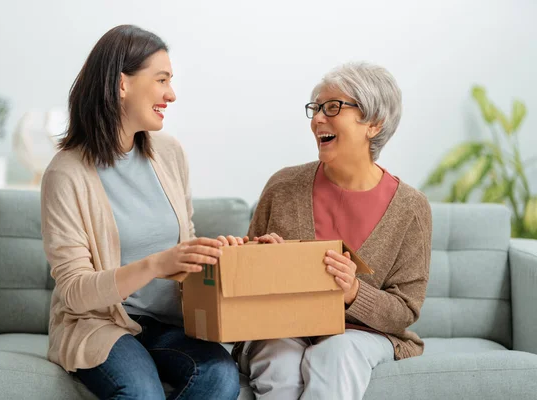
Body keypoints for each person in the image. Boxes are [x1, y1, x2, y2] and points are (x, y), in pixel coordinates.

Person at [40, 25, 242, 400]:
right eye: (161, 79)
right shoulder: (65, 174)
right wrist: (155, 265)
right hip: (101, 324)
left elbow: (183, 243)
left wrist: (213, 254)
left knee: (221, 377)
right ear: (121, 84)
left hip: (170, 324)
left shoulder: (169, 154)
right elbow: (73, 293)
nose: (172, 94)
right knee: (141, 393)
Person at [236, 62, 432, 400]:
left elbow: (405, 311)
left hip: (360, 336)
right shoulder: (283, 187)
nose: (317, 120)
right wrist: (261, 259)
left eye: (333, 107)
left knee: (336, 354)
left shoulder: (411, 209)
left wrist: (354, 292)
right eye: (315, 108)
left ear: (374, 123)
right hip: (283, 327)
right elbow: (245, 286)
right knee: (278, 359)